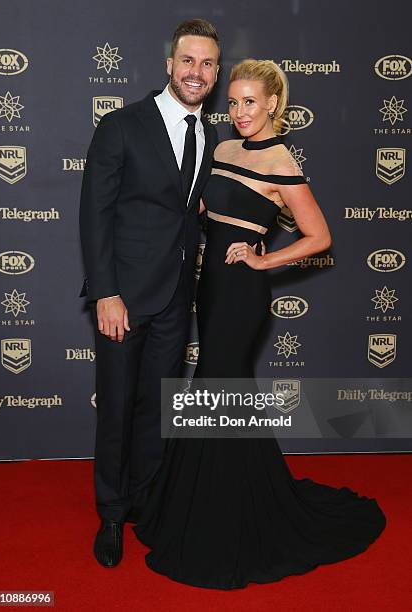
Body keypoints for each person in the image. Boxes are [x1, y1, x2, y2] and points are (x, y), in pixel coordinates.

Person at [133, 59, 386, 589]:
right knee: (218, 393)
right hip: (210, 288)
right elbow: (206, 210)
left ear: (273, 103)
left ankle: (226, 518)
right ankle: (205, 504)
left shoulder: (280, 159)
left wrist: (263, 259)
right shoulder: (222, 150)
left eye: (252, 102)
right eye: (235, 102)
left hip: (242, 294)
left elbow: (319, 237)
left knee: (221, 389)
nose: (241, 111)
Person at [79, 19, 220, 568]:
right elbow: (95, 215)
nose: (197, 73)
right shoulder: (121, 125)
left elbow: (189, 210)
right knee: (115, 407)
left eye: (208, 64)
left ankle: (144, 501)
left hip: (175, 297)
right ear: (169, 64)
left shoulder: (209, 134)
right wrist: (106, 293)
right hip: (125, 298)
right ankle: (111, 515)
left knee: (154, 409)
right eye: (188, 61)